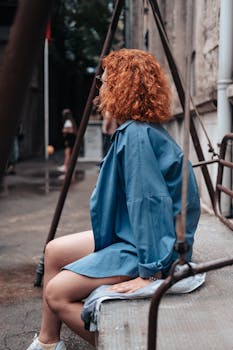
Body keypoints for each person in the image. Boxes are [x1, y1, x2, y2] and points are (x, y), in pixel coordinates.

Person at [26, 49, 200, 350]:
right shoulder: (133, 129)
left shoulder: (136, 135)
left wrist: (150, 272)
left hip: (152, 246)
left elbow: (148, 204)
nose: (101, 89)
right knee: (54, 251)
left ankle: (124, 345)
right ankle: (47, 344)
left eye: (105, 82)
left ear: (123, 85)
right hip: (131, 234)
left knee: (56, 293)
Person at [57, 109, 77, 173]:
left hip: (69, 140)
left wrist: (65, 130)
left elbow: (72, 131)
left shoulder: (68, 122)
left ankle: (66, 167)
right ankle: (67, 166)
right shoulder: (70, 121)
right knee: (68, 154)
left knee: (67, 154)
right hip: (70, 139)